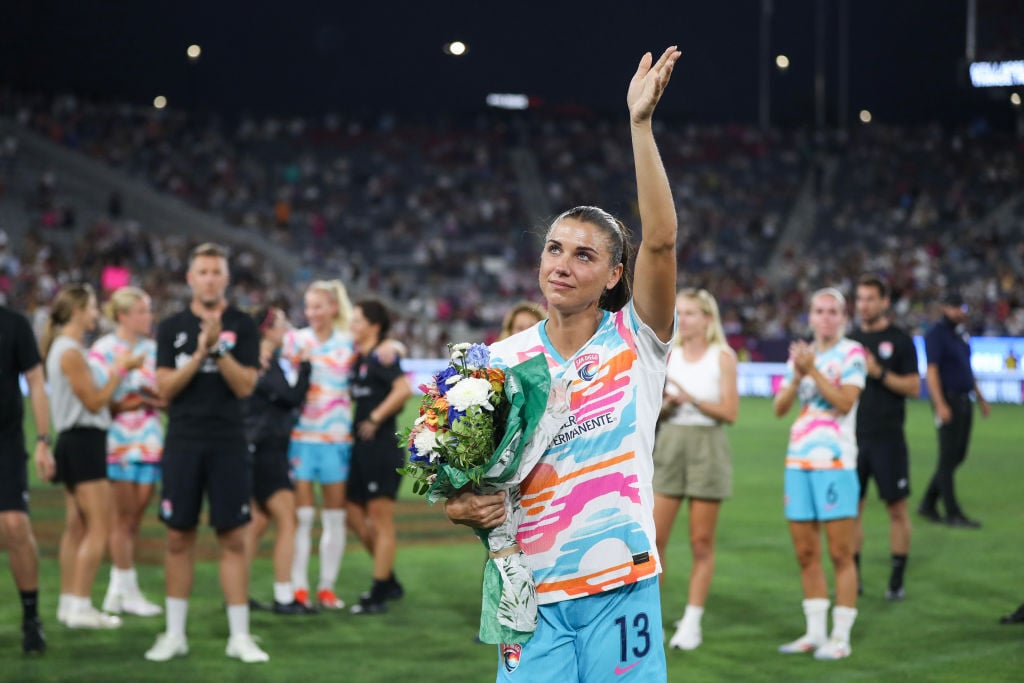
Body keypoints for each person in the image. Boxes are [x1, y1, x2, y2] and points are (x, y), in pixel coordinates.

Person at [445, 46, 681, 683]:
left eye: (583, 255)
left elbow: (659, 240)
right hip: (530, 592)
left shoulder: (638, 339)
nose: (561, 263)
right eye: (553, 248)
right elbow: (463, 488)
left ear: (613, 275)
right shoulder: (497, 361)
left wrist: (639, 126)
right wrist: (464, 507)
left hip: (620, 583)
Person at [144, 243, 268, 663]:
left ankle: (240, 636)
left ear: (226, 278)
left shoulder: (244, 326)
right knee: (178, 536)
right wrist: (200, 351)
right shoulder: (171, 326)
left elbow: (246, 386)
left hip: (229, 441)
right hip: (183, 441)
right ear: (190, 278)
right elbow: (164, 388)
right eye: (203, 271)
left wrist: (219, 349)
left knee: (233, 537)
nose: (210, 278)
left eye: (217, 271)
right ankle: (174, 634)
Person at [43, 283, 144, 629]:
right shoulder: (69, 351)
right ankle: (82, 607)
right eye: (92, 308)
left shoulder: (65, 348)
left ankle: (69, 604)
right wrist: (122, 369)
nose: (97, 314)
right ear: (77, 312)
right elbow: (94, 401)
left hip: (75, 439)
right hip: (85, 441)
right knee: (99, 526)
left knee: (76, 527)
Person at [773, 287, 866, 660]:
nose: (826, 317)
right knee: (806, 552)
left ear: (843, 318)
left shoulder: (852, 353)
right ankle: (814, 632)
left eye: (833, 311)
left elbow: (845, 402)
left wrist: (811, 369)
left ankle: (840, 637)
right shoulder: (802, 355)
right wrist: (797, 376)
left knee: (842, 553)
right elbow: (780, 408)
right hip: (798, 463)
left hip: (836, 463)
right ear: (810, 317)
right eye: (819, 311)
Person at [653, 288, 738, 651]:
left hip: (707, 446)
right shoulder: (667, 354)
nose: (682, 319)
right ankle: (651, 620)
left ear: (707, 318)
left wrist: (693, 400)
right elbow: (655, 410)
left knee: (701, 543)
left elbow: (730, 413)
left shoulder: (724, 356)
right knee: (655, 542)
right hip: (670, 443)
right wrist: (670, 405)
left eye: (690, 313)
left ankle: (692, 621)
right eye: (680, 313)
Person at [282, 280, 358, 610]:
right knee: (301, 518)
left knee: (333, 518)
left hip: (337, 440)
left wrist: (395, 347)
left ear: (333, 307)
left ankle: (326, 587)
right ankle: (299, 588)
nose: (312, 312)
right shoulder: (295, 341)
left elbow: (381, 348)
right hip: (302, 438)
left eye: (318, 306)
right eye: (308, 306)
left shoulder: (349, 342)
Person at [89, 286, 165, 617]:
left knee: (134, 519)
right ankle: (127, 590)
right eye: (142, 311)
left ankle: (117, 591)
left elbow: (165, 394)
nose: (148, 317)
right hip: (117, 440)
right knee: (121, 518)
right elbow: (97, 399)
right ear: (123, 316)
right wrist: (135, 399)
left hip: (149, 439)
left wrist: (152, 398)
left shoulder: (154, 350)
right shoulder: (103, 350)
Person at [848, 275, 920, 601]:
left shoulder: (901, 341)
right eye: (860, 299)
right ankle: (854, 576)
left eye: (870, 299)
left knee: (897, 511)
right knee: (852, 510)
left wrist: (878, 372)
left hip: (889, 439)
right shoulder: (848, 341)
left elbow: (914, 388)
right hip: (852, 439)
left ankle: (896, 579)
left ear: (884, 302)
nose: (863, 305)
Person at [242, 306, 316, 615]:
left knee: (258, 521)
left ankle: (238, 592)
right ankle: (284, 597)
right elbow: (290, 396)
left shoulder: (260, 359)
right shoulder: (260, 360)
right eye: (282, 323)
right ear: (267, 328)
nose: (288, 329)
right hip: (265, 447)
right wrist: (308, 368)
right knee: (288, 520)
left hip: (259, 447)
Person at [346, 299, 412, 615]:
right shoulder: (361, 357)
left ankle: (378, 592)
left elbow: (402, 389)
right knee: (353, 515)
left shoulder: (381, 357)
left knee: (379, 518)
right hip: (360, 448)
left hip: (381, 446)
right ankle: (387, 579)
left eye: (357, 320)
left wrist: (374, 417)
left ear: (373, 326)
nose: (352, 326)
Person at [0, 303, 56, 653]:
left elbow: (36, 381)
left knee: (16, 525)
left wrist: (42, 441)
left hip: (5, 443)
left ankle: (31, 617)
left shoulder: (13, 324)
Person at [917, 291, 990, 528]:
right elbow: (932, 371)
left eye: (962, 307)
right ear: (945, 308)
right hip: (948, 399)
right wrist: (939, 404)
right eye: (956, 307)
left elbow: (966, 368)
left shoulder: (960, 335)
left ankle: (928, 503)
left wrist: (979, 397)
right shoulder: (936, 334)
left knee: (957, 455)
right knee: (948, 457)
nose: (961, 312)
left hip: (963, 399)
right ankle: (952, 512)